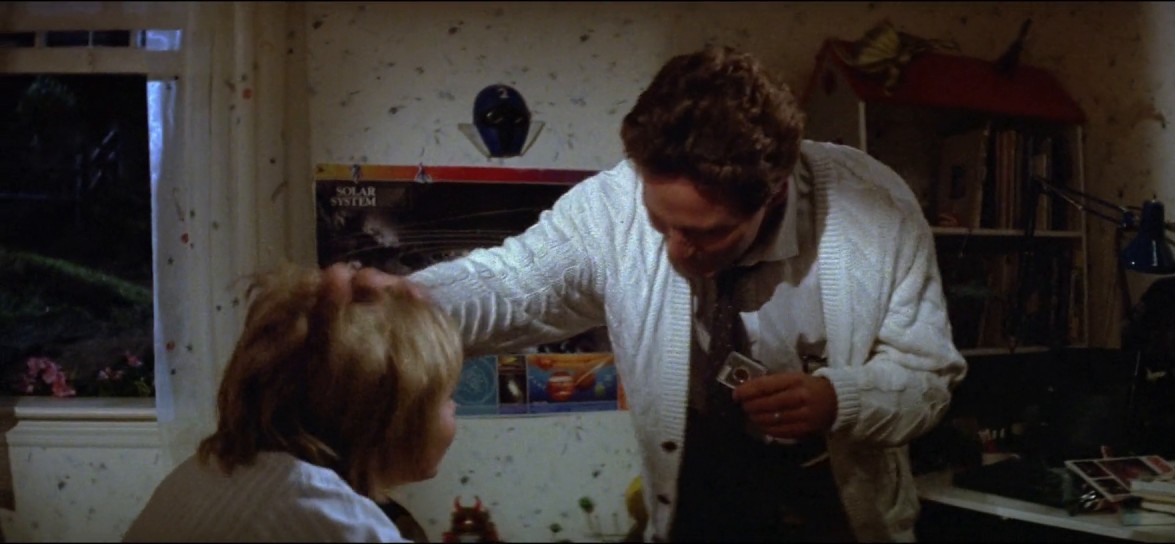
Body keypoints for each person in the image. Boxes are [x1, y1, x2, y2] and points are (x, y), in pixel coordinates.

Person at [328, 45, 967, 542]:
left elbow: (929, 380)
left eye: (706, 233)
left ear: (774, 192)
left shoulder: (876, 210)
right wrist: (400, 302)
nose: (676, 251)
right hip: (695, 507)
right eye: (661, 224)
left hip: (843, 517)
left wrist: (840, 400)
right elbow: (513, 285)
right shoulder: (615, 204)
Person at [124, 264, 463, 542]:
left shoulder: (205, 472)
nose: (454, 407)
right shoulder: (328, 514)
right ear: (386, 421)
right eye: (447, 396)